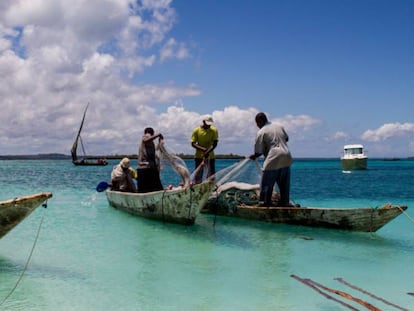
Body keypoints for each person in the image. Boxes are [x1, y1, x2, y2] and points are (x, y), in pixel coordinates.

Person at [249, 112, 293, 207]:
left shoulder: (261, 132)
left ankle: (264, 204)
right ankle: (285, 203)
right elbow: (287, 138)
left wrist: (253, 156)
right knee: (284, 185)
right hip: (287, 156)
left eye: (257, 123)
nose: (257, 126)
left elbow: (258, 152)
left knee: (266, 185)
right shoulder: (279, 126)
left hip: (273, 157)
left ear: (260, 121)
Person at [191, 115, 219, 184]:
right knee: (198, 176)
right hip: (199, 157)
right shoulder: (196, 130)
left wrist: (208, 152)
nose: (209, 126)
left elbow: (215, 143)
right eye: (207, 124)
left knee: (211, 176)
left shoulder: (214, 130)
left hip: (210, 157)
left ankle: (210, 190)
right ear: (203, 122)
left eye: (210, 124)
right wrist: (203, 150)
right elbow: (193, 143)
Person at [137, 127, 164, 192]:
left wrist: (160, 143)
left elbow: (155, 149)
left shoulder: (151, 143)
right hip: (145, 169)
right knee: (148, 190)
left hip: (150, 169)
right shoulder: (145, 137)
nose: (148, 137)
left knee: (156, 189)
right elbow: (145, 140)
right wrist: (158, 135)